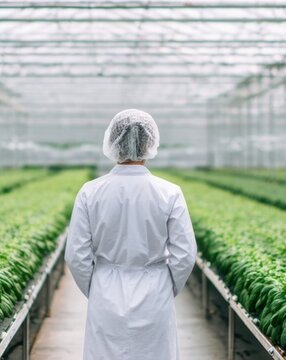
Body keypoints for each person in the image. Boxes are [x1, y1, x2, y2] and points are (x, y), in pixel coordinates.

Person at [65, 109, 197, 360]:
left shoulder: (90, 192)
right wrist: (166, 286)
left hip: (106, 292)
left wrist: (98, 286)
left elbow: (75, 255)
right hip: (155, 293)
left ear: (112, 142)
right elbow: (185, 254)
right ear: (150, 143)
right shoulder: (169, 193)